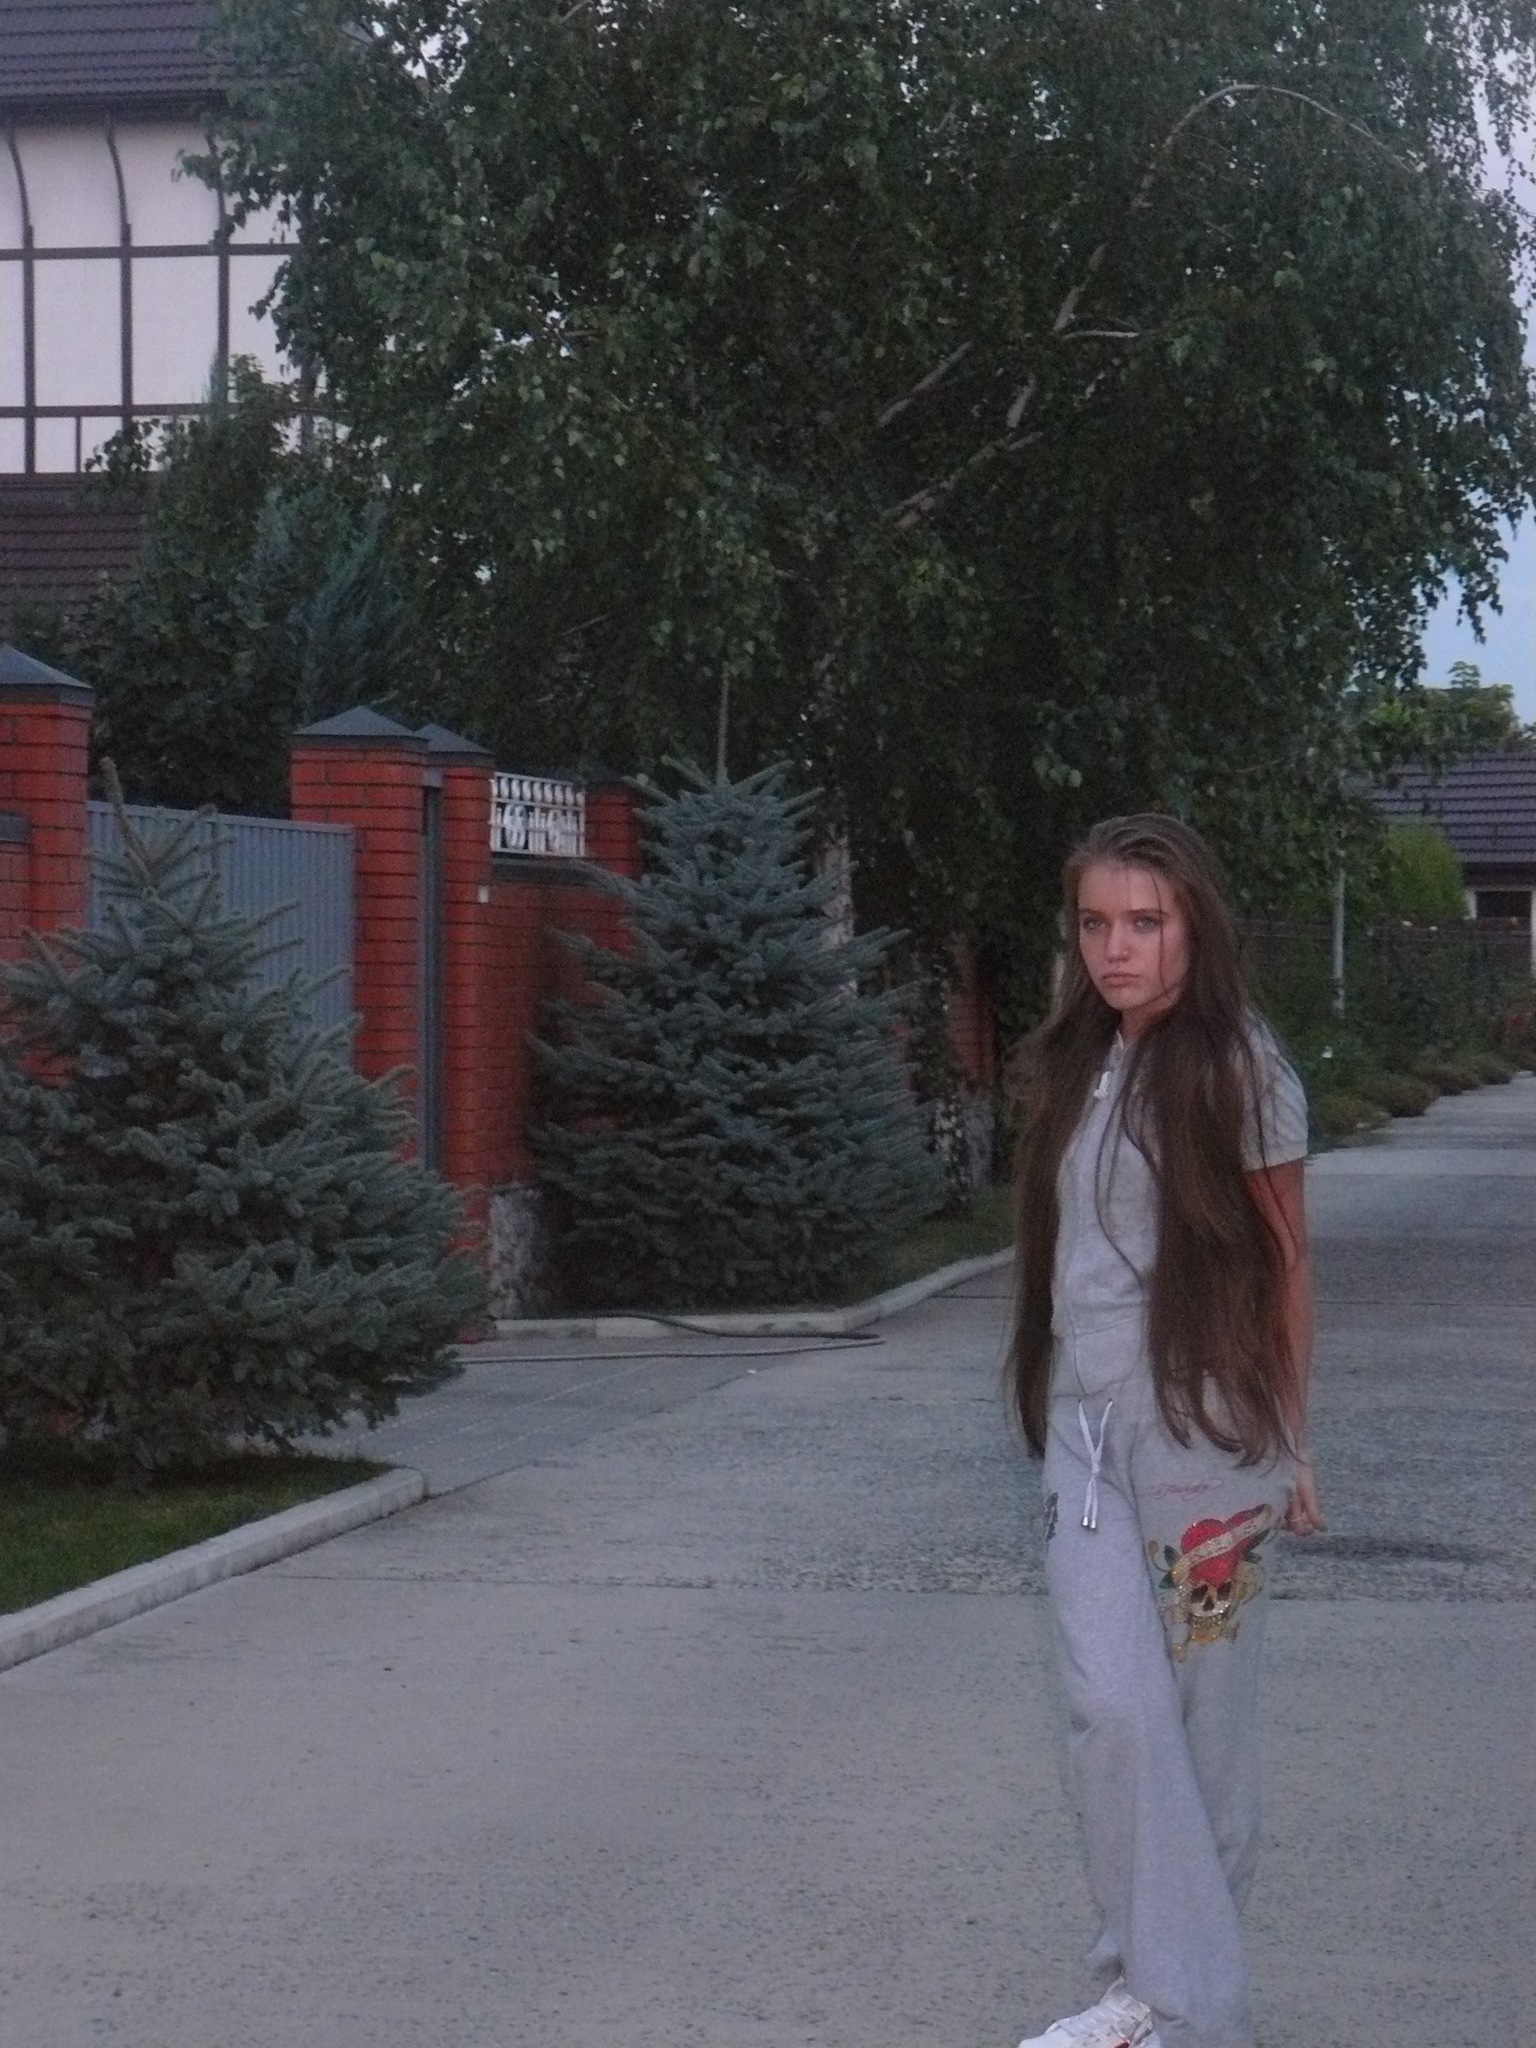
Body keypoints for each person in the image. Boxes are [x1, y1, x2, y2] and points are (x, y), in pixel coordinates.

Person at [1008, 814, 1325, 2048]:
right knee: (1111, 1708)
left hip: (1206, 1433)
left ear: (1196, 925)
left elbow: (1288, 1262)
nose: (1117, 948)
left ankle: (1168, 2006)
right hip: (1086, 1437)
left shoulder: (1241, 1067)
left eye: (1145, 921)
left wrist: (1295, 1435)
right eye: (1097, 922)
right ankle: (1160, 1988)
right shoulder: (1082, 1058)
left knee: (1202, 1729)